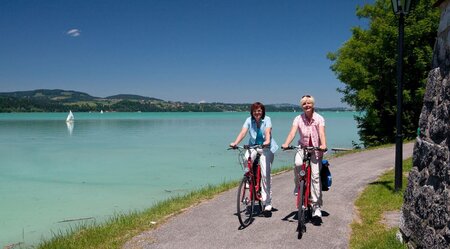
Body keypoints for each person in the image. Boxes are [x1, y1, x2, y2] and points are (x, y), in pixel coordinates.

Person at [281, 95, 327, 218]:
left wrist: (323, 145)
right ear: (302, 106)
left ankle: (316, 206)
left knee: (315, 177)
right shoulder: (298, 118)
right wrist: (286, 143)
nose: (306, 105)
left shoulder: (319, 118)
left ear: (313, 105)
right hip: (302, 147)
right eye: (304, 104)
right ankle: (298, 186)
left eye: (309, 103)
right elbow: (292, 132)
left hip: (316, 150)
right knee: (297, 164)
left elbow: (321, 133)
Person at [230, 102, 278, 212]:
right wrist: (235, 142)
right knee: (246, 158)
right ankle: (248, 178)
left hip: (266, 147)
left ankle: (267, 203)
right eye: (255, 111)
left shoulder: (267, 119)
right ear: (252, 112)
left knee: (266, 175)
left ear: (262, 111)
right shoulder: (248, 120)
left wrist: (267, 141)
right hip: (253, 146)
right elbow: (243, 132)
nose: (257, 113)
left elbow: (268, 131)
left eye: (259, 110)